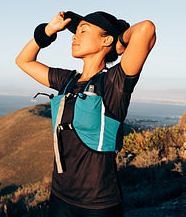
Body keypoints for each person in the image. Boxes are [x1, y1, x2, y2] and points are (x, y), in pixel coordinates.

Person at [15, 11, 156, 217]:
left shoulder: (113, 83)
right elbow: (23, 61)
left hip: (97, 205)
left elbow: (146, 29)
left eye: (83, 31)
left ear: (106, 40)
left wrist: (118, 42)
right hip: (59, 197)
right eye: (75, 32)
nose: (74, 36)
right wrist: (48, 31)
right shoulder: (67, 81)